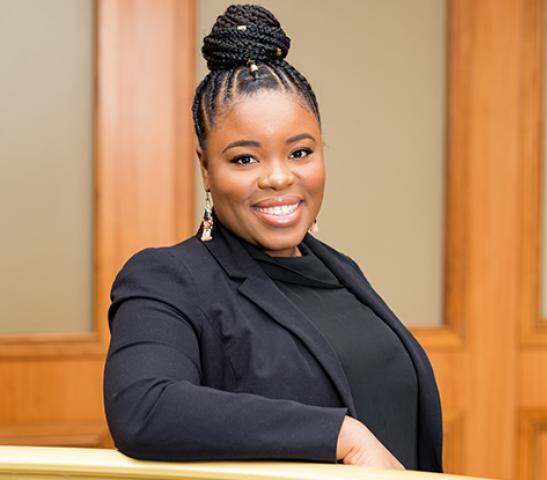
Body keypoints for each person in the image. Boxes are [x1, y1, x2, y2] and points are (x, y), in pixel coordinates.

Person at [103, 3, 443, 473]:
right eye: (245, 159)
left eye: (300, 151)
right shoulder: (167, 278)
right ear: (206, 167)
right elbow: (144, 407)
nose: (279, 177)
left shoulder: (341, 270)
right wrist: (341, 435)